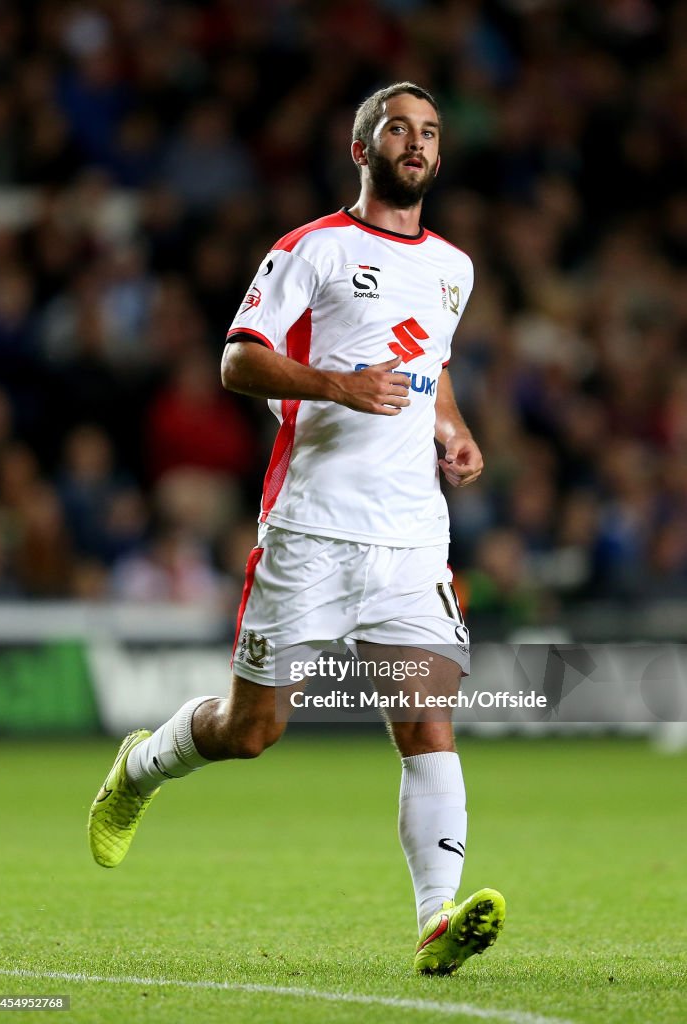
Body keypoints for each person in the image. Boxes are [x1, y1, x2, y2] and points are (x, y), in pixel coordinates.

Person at [88, 82, 505, 975]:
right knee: (252, 732)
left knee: (427, 724)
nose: (419, 142)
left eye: (431, 131)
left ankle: (438, 924)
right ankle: (140, 769)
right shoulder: (309, 250)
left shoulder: (454, 269)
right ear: (363, 149)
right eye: (400, 128)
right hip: (312, 527)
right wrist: (341, 386)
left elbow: (432, 365)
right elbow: (238, 360)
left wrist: (452, 427)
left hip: (410, 539)